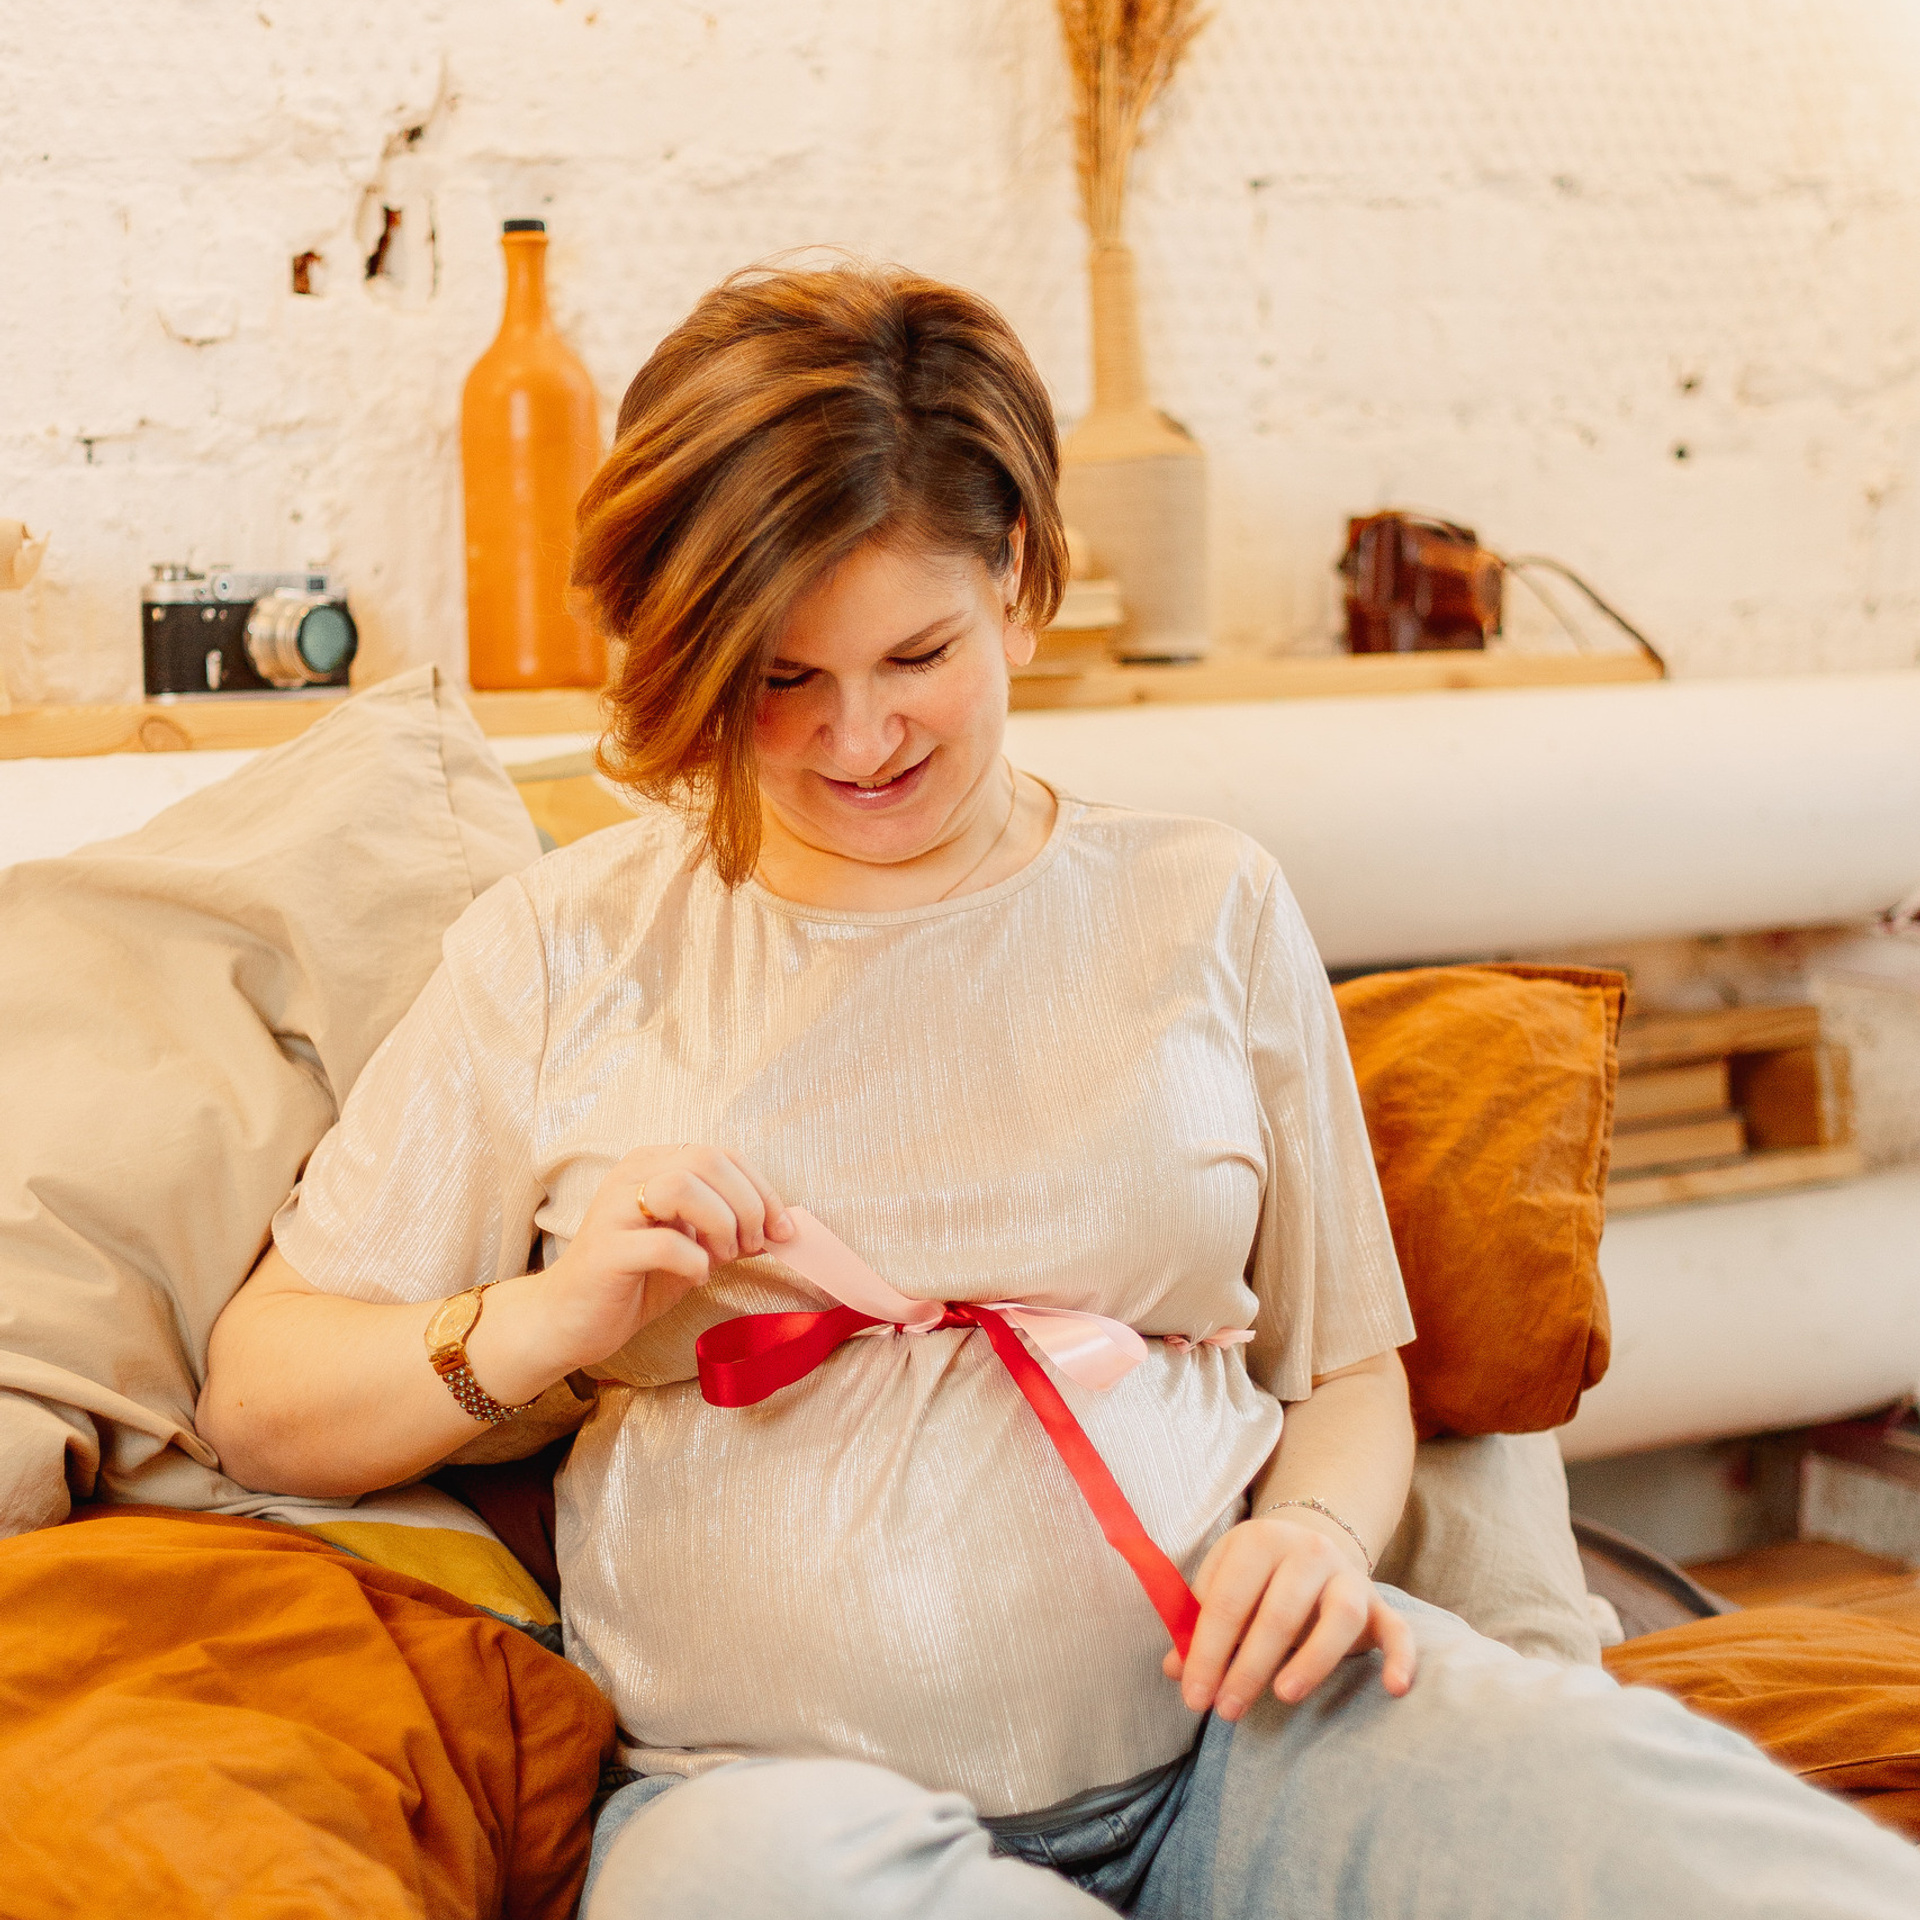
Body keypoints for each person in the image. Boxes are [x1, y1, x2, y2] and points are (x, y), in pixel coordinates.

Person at [199, 263, 1920, 1919]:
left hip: (1242, 1754)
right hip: (771, 1822)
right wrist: (547, 1317)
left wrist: (1320, 1534)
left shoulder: (1205, 902)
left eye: (916, 658)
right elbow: (264, 1399)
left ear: (1018, 578)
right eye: (780, 679)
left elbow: (1348, 1369)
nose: (856, 738)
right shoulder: (565, 949)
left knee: (1623, 1801)